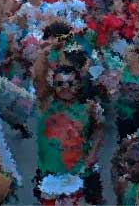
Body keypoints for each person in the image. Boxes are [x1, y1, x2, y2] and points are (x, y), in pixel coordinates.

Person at [34, 65, 105, 205]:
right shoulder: (46, 105)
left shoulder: (90, 108)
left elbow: (100, 129)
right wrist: (45, 52)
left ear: (79, 84)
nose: (65, 87)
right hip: (49, 173)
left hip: (78, 173)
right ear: (53, 85)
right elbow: (38, 78)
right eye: (60, 84)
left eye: (70, 83)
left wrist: (93, 153)